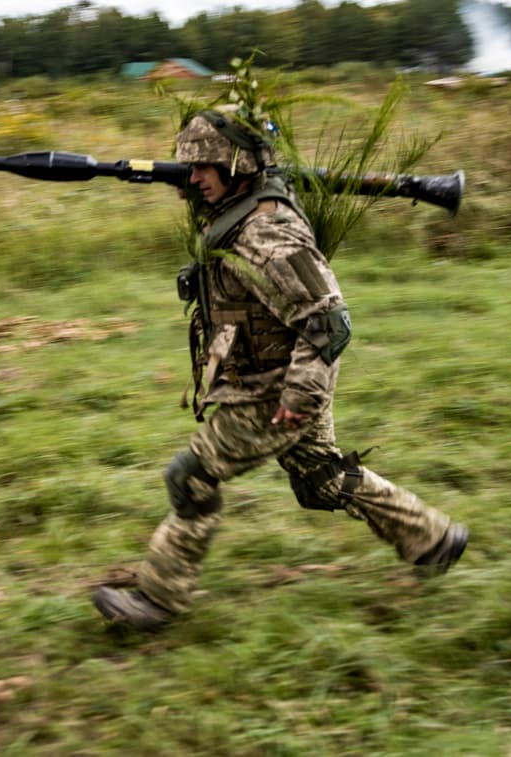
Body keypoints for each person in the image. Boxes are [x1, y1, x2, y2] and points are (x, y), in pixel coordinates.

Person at [92, 111, 467, 630]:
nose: (194, 177)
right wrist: (195, 191)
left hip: (274, 389)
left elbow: (329, 320)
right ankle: (434, 539)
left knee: (192, 476)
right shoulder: (239, 205)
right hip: (278, 375)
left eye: (204, 167)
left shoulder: (267, 232)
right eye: (190, 168)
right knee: (323, 479)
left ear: (238, 165)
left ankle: (158, 598)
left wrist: (298, 395)